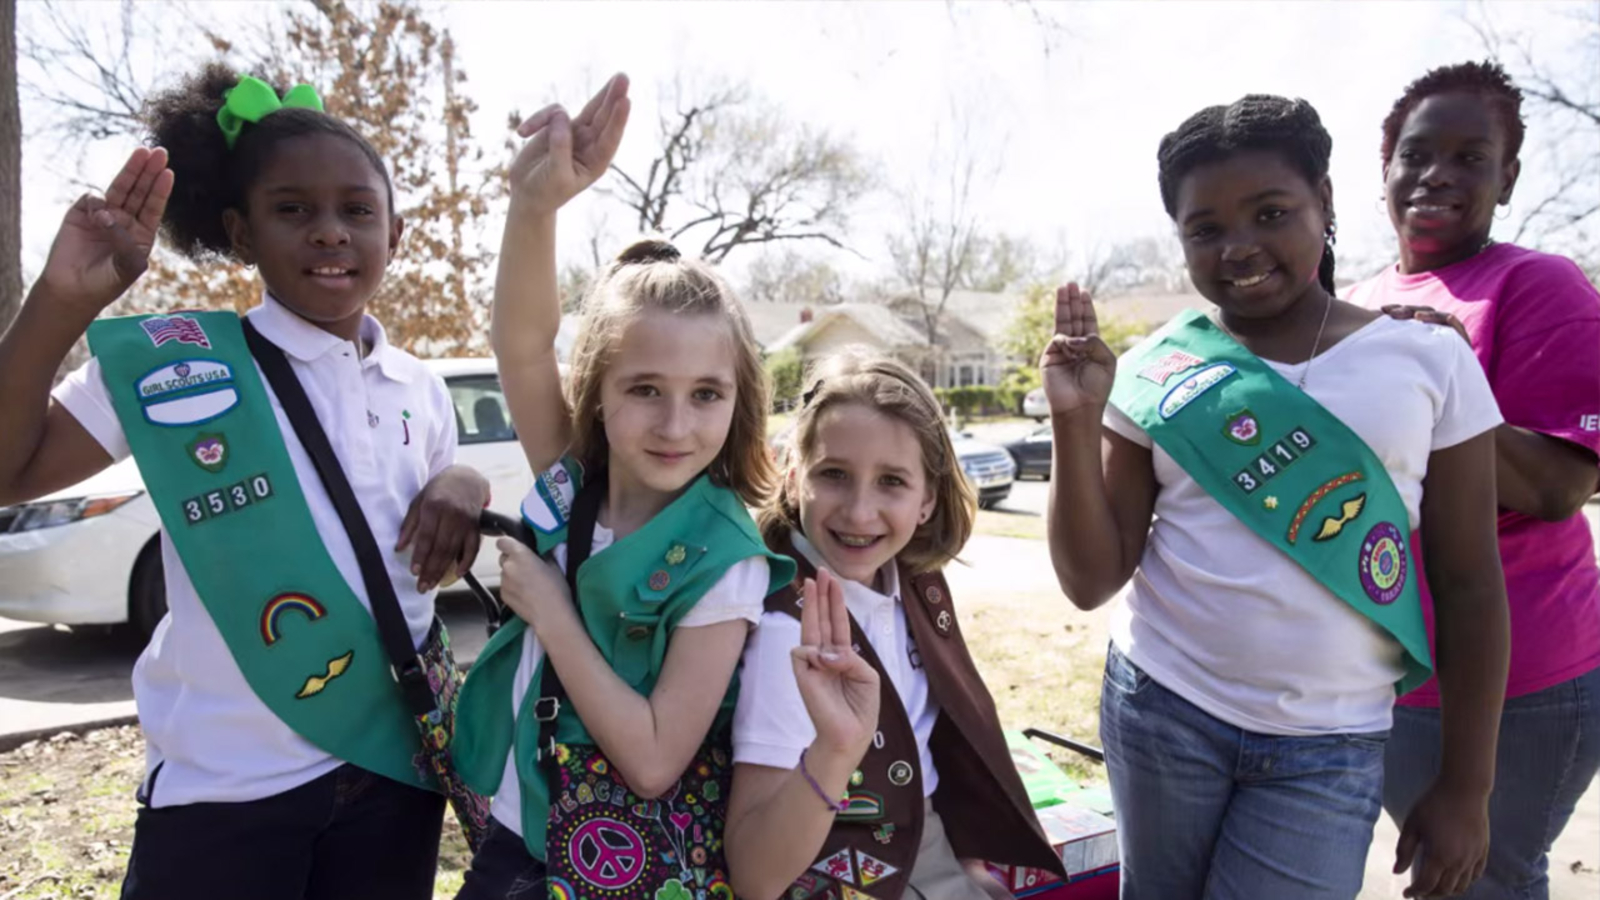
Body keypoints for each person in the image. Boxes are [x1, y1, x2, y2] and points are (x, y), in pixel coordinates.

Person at [0, 63, 489, 899]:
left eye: (357, 210)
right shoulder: (173, 364)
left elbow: (415, 503)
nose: (329, 232)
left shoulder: (420, 386)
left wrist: (463, 481)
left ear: (397, 233)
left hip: (391, 772)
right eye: (292, 210)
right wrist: (60, 302)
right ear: (241, 232)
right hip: (224, 790)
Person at [1043, 94, 1511, 899]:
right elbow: (1090, 582)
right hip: (1163, 710)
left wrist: (1468, 787)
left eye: (1270, 213)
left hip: (1329, 744)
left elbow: (1469, 584)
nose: (1239, 247)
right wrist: (1076, 419)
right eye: (1205, 229)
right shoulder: (1159, 370)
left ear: (1323, 202)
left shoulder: (1429, 361)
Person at [450, 75, 797, 900]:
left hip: (625, 868)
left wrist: (552, 610)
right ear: (598, 395)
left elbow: (653, 759)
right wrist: (535, 204)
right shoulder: (577, 480)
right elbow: (522, 345)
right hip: (518, 835)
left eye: (706, 394)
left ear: (739, 400)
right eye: (645, 389)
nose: (676, 424)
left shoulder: (727, 557)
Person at [1349, 60, 1600, 900]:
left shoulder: (1536, 285)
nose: (1436, 176)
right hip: (1387, 676)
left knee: (1486, 882)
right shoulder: (1357, 300)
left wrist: (1444, 375)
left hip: (1523, 684)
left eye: (1470, 158)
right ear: (1385, 165)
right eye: (1417, 154)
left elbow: (1560, 487)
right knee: (1441, 882)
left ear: (1508, 178)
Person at [725, 350, 1064, 900]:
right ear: (792, 477)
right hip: (833, 868)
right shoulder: (788, 633)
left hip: (928, 843)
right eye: (834, 474)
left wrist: (966, 862)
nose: (860, 512)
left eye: (891, 481)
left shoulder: (913, 581)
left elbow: (936, 738)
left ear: (927, 499)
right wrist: (835, 750)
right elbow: (756, 876)